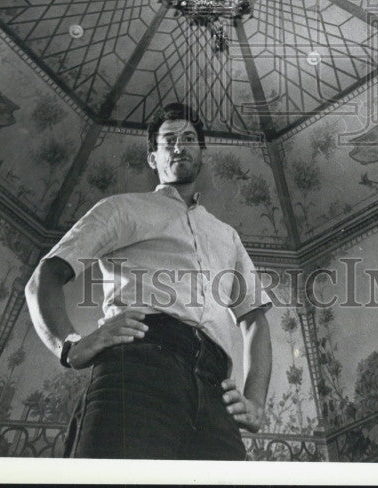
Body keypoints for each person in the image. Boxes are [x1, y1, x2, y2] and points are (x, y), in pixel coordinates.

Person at [25, 102, 273, 460]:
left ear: (201, 154)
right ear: (152, 158)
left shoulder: (227, 236)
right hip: (138, 370)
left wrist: (255, 402)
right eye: (167, 140)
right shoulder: (121, 209)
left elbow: (254, 319)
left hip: (216, 390)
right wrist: (70, 345)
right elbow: (45, 276)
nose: (178, 146)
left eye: (189, 138)